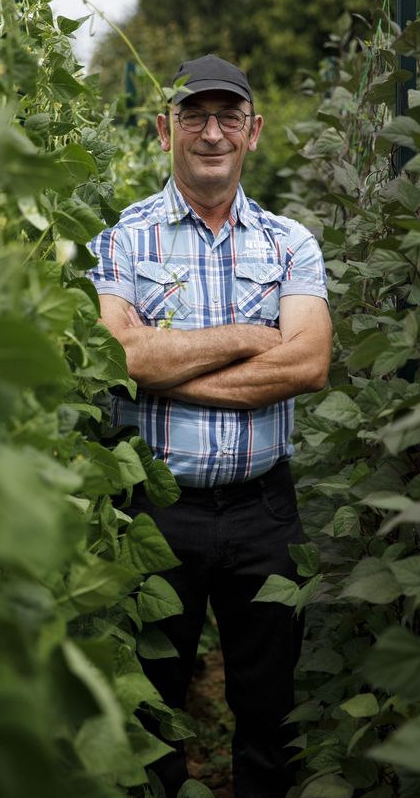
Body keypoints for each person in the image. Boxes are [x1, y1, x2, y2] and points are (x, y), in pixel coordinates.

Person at [87, 54, 332, 798]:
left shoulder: (291, 241)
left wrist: (175, 364)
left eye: (229, 116)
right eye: (194, 115)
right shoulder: (122, 239)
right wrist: (252, 335)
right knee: (152, 708)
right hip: (161, 510)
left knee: (273, 712)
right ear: (165, 128)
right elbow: (122, 357)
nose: (212, 132)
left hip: (264, 509)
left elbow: (310, 362)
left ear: (253, 132)